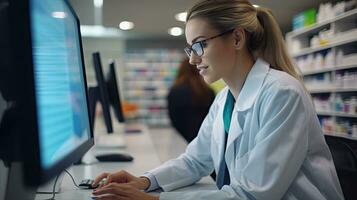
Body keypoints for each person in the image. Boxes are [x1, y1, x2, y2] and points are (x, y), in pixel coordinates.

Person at [91, 0, 344, 199]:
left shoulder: (282, 93)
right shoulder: (224, 99)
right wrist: (144, 181)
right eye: (190, 48)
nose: (192, 60)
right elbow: (195, 160)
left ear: (236, 38)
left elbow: (252, 195)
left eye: (200, 45)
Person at [167, 58, 215, 143]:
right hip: (204, 138)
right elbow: (212, 117)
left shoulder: (175, 91)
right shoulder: (208, 91)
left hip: (181, 138)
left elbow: (173, 117)